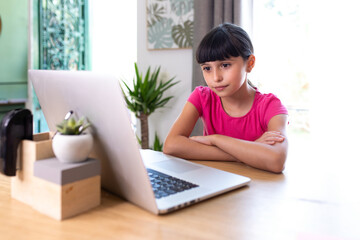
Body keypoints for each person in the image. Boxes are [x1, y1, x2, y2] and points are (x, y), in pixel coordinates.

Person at [163, 23, 288, 173]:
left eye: (225, 65)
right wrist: (249, 149)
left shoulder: (270, 106)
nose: (216, 78)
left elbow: (276, 161)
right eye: (207, 68)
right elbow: (171, 145)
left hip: (258, 189)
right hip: (213, 182)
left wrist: (215, 140)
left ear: (250, 63)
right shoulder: (202, 97)